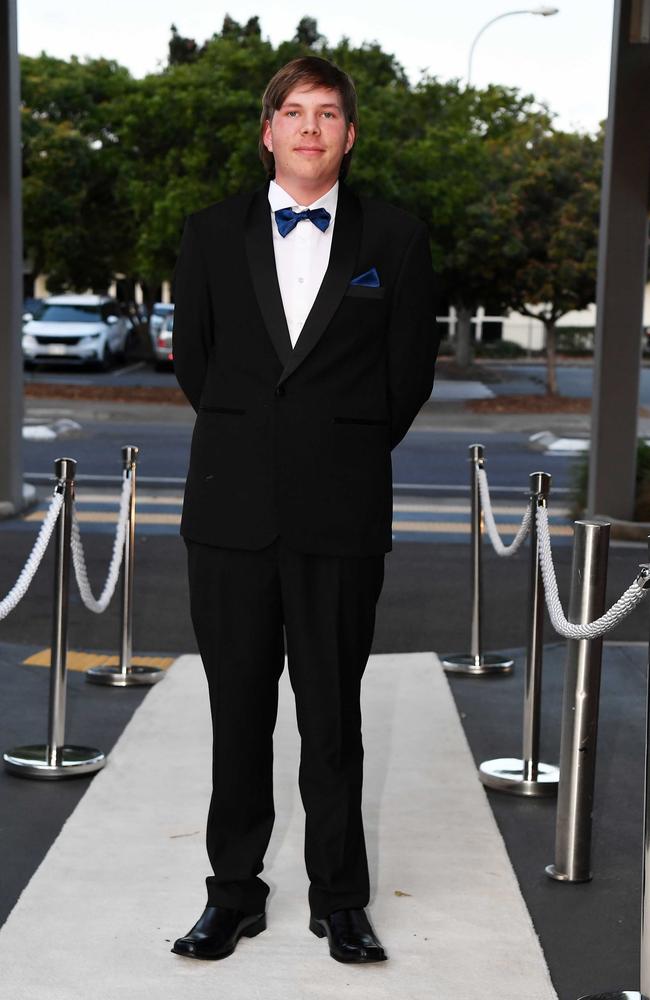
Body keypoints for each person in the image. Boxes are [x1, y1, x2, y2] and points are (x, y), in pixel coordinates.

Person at [170, 54, 441, 965]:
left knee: (333, 716)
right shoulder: (209, 232)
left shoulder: (396, 239)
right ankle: (233, 895)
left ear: (350, 134)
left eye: (328, 113)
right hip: (231, 513)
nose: (311, 128)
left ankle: (342, 900)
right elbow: (197, 368)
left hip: (340, 514)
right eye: (294, 112)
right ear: (268, 130)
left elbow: (407, 376)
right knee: (236, 713)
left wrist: (336, 451)